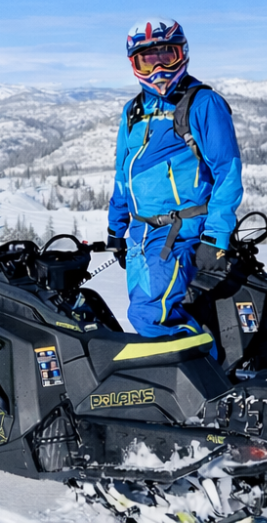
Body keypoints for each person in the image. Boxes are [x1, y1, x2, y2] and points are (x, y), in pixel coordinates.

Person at [107, 18, 242, 344]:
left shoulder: (202, 103)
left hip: (180, 232)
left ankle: (204, 388)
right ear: (134, 63)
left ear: (182, 54)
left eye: (166, 56)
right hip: (142, 235)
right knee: (154, 314)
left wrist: (216, 237)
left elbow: (228, 170)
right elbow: (125, 173)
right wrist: (116, 228)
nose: (158, 69)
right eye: (147, 59)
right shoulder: (133, 111)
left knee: (151, 315)